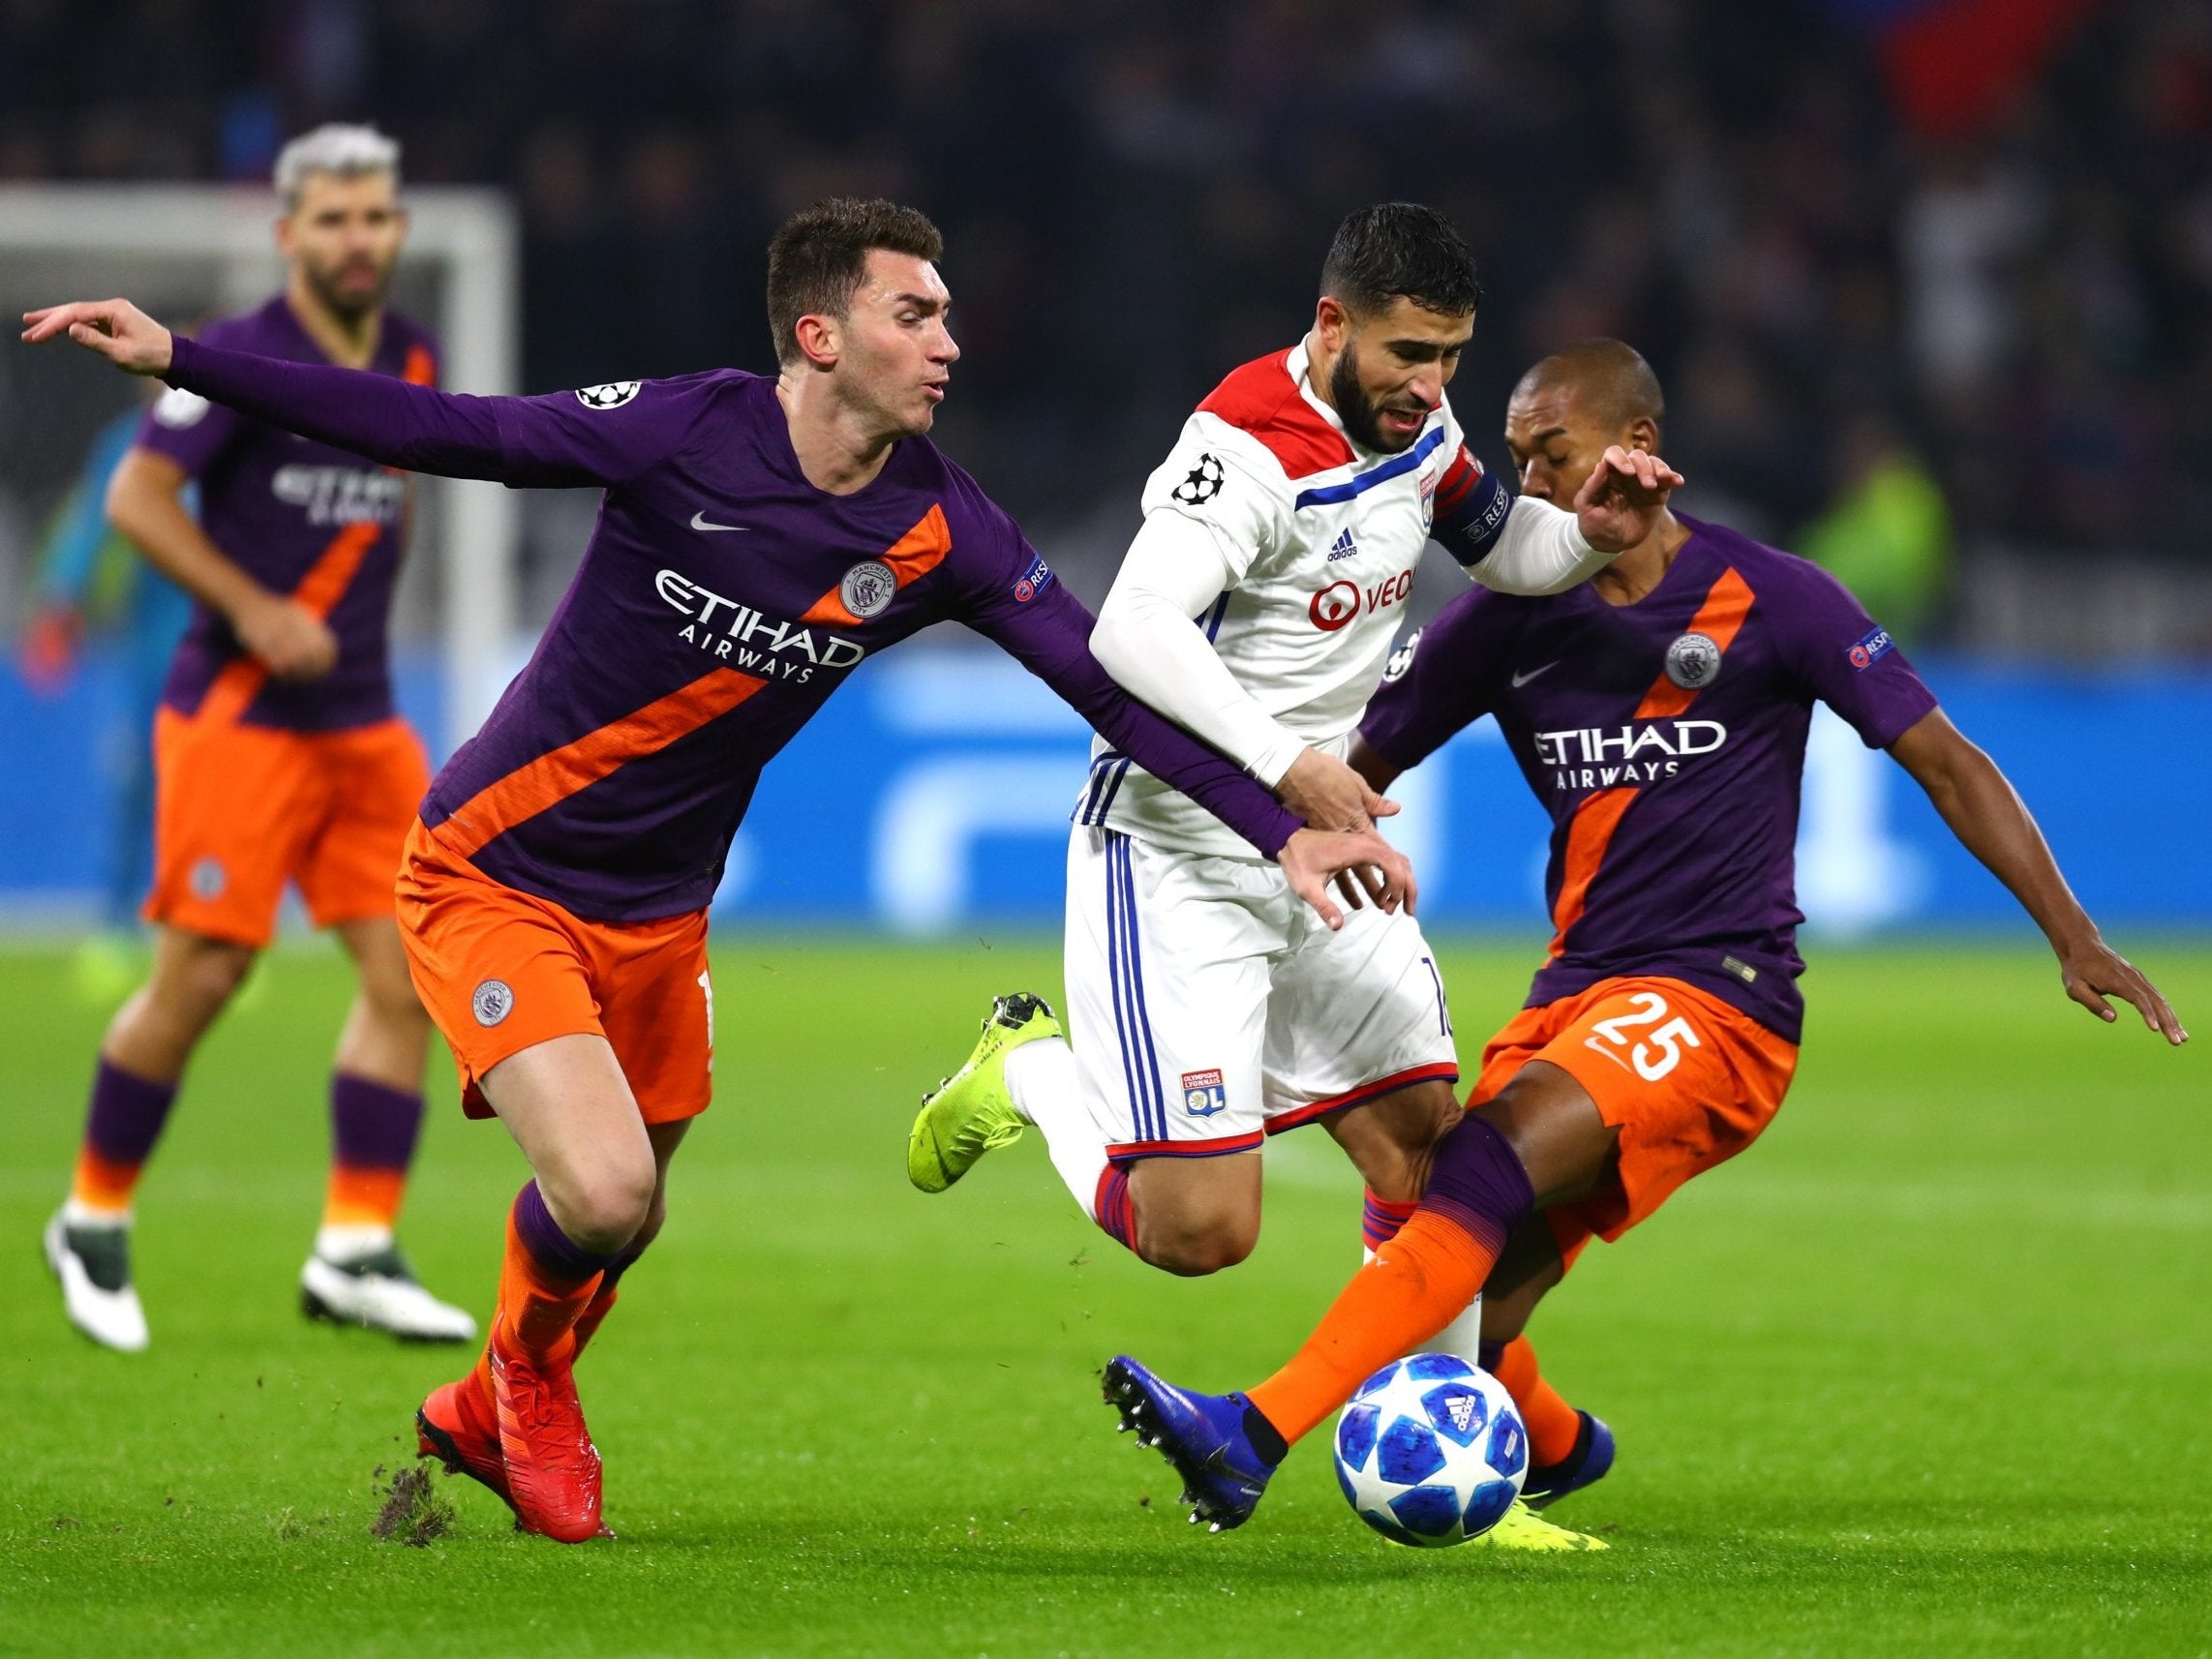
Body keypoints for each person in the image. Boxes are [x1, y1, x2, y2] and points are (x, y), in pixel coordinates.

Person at [25, 197, 1409, 1545]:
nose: (949, 343)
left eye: (948, 317)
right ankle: (526, 1386)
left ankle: (479, 1396)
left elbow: (1109, 691)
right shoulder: (687, 429)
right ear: (819, 336)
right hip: (496, 868)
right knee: (609, 1190)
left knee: (626, 1213)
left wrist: (1279, 818)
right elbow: (452, 429)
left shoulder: (944, 527)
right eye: (913, 314)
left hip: (660, 913)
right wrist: (186, 357)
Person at [1097, 338, 2188, 1535]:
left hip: (1721, 1001)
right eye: (1513, 461)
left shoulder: (1774, 596)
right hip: (1577, 992)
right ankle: (1564, 1449)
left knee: (1469, 1175)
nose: (1526, 490)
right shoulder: (1506, 623)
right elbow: (1346, 770)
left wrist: (2071, 934)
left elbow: (1945, 760)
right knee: (1464, 1297)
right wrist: (1256, 843)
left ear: (1635, 449)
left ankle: (1246, 1434)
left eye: (1548, 455)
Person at [905, 207, 1678, 1315]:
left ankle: (1449, 1475)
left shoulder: (1419, 425)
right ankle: (1024, 1067)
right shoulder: (1244, 446)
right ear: (1330, 325)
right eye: (1407, 353)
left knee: (1430, 1157)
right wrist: (1283, 765)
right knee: (1199, 1231)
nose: (1429, 382)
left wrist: (1589, 536)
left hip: (1318, 842)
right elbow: (1130, 628)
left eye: (1450, 355)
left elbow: (1504, 547)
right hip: (1177, 846)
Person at [37, 124, 473, 1353]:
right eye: (331, 219)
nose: (356, 238)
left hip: (365, 721)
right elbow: (134, 498)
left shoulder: (414, 351)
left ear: (396, 228)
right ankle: (94, 1217)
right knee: (205, 977)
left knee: (408, 979)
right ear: (289, 234)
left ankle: (355, 1244)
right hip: (238, 718)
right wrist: (250, 604)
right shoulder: (227, 356)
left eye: (374, 217)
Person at [17, 390, 194, 1003]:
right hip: (149, 647)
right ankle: (118, 928)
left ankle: (209, 931)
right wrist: (60, 607)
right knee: (135, 783)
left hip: (225, 646)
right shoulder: (129, 441)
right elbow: (93, 524)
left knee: (212, 791)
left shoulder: (238, 438)